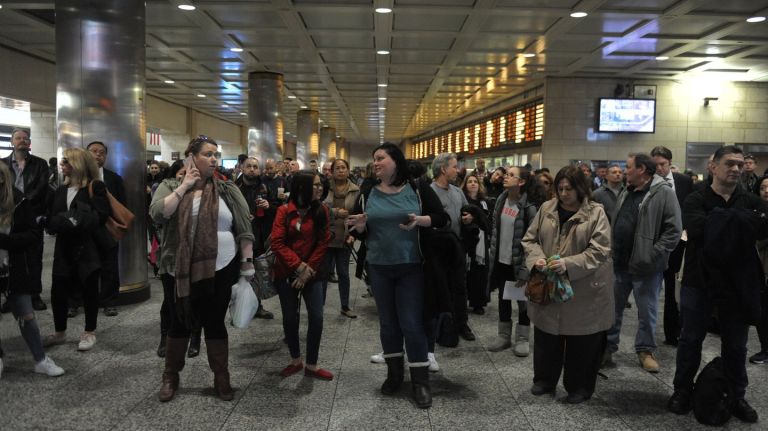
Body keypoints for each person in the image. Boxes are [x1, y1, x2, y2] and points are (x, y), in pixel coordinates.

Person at [149, 135, 255, 402]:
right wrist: (184, 186)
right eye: (208, 154)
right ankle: (171, 375)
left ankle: (221, 376)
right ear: (191, 157)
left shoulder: (227, 189)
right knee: (179, 321)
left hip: (221, 265)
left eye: (215, 155)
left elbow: (244, 228)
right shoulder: (170, 184)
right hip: (178, 267)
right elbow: (159, 213)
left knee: (214, 321)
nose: (213, 159)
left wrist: (247, 264)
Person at [668, 146, 767, 423]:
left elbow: (763, 227)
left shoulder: (749, 199)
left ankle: (737, 394)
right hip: (699, 281)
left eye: (739, 164)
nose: (736, 169)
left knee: (736, 345)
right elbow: (699, 231)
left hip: (738, 285)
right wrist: (741, 222)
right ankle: (682, 391)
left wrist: (721, 221)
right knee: (689, 340)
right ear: (713, 167)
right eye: (729, 164)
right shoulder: (694, 199)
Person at [347, 143, 448, 409]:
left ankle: (420, 382)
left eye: (380, 158)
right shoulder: (368, 190)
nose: (376, 163)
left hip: (411, 267)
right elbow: (360, 227)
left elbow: (441, 218)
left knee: (411, 323)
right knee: (388, 325)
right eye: (374, 159)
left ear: (395, 161)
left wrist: (420, 220)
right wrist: (358, 228)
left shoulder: (416, 188)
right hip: (379, 267)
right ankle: (394, 375)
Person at [521, 165, 614, 404]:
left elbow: (600, 250)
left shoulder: (595, 213)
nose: (563, 194)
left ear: (581, 189)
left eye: (569, 189)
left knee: (582, 340)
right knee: (547, 335)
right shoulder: (546, 208)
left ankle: (580, 387)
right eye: (560, 188)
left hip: (585, 288)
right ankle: (544, 380)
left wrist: (569, 264)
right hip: (550, 285)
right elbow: (530, 239)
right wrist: (536, 258)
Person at [604, 153, 681, 373]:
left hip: (646, 267)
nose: (625, 171)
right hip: (620, 262)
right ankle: (608, 347)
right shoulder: (626, 191)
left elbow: (673, 230)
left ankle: (645, 350)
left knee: (647, 312)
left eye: (628, 167)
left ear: (642, 170)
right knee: (613, 309)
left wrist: (652, 254)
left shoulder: (663, 192)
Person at [0, 161, 65, 379]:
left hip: (14, 268)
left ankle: (40, 359)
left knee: (26, 315)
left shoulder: (19, 202)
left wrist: (5, 241)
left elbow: (33, 236)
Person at [42, 148, 110, 352]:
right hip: (63, 248)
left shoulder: (94, 186)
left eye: (66, 161)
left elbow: (101, 216)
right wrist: (64, 222)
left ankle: (89, 332)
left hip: (87, 248)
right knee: (58, 291)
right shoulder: (61, 189)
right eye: (62, 162)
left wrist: (73, 221)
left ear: (78, 164)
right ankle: (60, 332)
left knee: (89, 290)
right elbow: (53, 216)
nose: (62, 165)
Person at [272, 170, 333, 381]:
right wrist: (298, 266)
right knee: (290, 317)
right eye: (315, 185)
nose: (320, 188)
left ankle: (312, 364)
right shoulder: (283, 211)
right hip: (285, 272)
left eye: (320, 184)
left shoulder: (322, 210)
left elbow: (324, 241)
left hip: (314, 274)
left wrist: (307, 271)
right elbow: (277, 243)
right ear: (301, 187)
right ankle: (296, 360)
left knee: (316, 317)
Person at [487, 166, 541, 355]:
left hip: (519, 262)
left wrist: (527, 269)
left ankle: (523, 338)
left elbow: (534, 241)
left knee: (522, 300)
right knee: (503, 298)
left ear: (521, 182)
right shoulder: (501, 200)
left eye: (511, 175)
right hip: (501, 259)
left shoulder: (528, 207)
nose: (505, 177)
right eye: (506, 174)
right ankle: (504, 336)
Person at [1, 128, 49, 312]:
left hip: (31, 216)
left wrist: (22, 202)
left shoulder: (40, 164)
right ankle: (9, 295)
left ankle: (35, 295)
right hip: (7, 217)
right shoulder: (2, 163)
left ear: (29, 143)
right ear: (12, 142)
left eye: (25, 138)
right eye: (18, 138)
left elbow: (42, 187)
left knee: (34, 258)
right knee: (9, 258)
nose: (22, 140)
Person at [650, 146, 693, 347]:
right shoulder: (648, 182)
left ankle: (674, 333)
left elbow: (689, 208)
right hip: (657, 242)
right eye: (655, 164)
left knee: (675, 291)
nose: (659, 168)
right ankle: (658, 335)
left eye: (663, 164)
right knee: (655, 289)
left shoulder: (684, 181)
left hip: (681, 242)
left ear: (670, 163)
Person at [430, 152, 475, 341]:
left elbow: (467, 212)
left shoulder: (457, 192)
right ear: (443, 169)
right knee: (442, 288)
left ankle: (461, 323)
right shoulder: (429, 192)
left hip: (458, 248)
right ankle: (443, 325)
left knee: (460, 287)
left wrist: (469, 218)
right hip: (438, 251)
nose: (457, 170)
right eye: (454, 166)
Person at [86, 141, 127, 318]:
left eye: (102, 152)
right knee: (84, 266)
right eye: (94, 151)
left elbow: (122, 204)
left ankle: (109, 302)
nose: (98, 155)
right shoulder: (79, 176)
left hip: (108, 229)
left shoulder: (114, 178)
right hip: (85, 229)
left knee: (109, 266)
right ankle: (78, 301)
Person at [234, 156, 274, 320]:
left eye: (255, 167)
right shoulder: (234, 187)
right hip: (238, 237)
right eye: (248, 166)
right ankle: (236, 307)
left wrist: (269, 206)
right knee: (237, 273)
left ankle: (256, 306)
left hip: (258, 237)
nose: (252, 169)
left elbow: (277, 208)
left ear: (259, 170)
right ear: (242, 168)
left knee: (256, 274)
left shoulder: (265, 187)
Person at [323, 158, 360, 318]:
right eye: (337, 168)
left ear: (348, 170)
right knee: (323, 273)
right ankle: (319, 305)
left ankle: (345, 306)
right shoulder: (324, 187)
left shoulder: (356, 189)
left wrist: (353, 234)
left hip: (345, 236)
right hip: (325, 236)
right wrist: (334, 212)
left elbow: (358, 214)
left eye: (343, 167)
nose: (341, 170)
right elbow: (318, 207)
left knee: (344, 273)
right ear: (332, 171)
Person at [461, 173, 491, 315]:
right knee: (466, 272)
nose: (473, 184)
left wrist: (476, 216)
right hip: (467, 240)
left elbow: (487, 223)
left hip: (481, 242)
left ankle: (478, 302)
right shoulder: (463, 200)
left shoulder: (483, 202)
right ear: (465, 185)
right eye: (470, 182)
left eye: (475, 182)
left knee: (479, 273)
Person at [751, 175, 768, 365]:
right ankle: (765, 348)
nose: (766, 191)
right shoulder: (754, 211)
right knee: (763, 312)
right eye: (763, 187)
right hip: (760, 269)